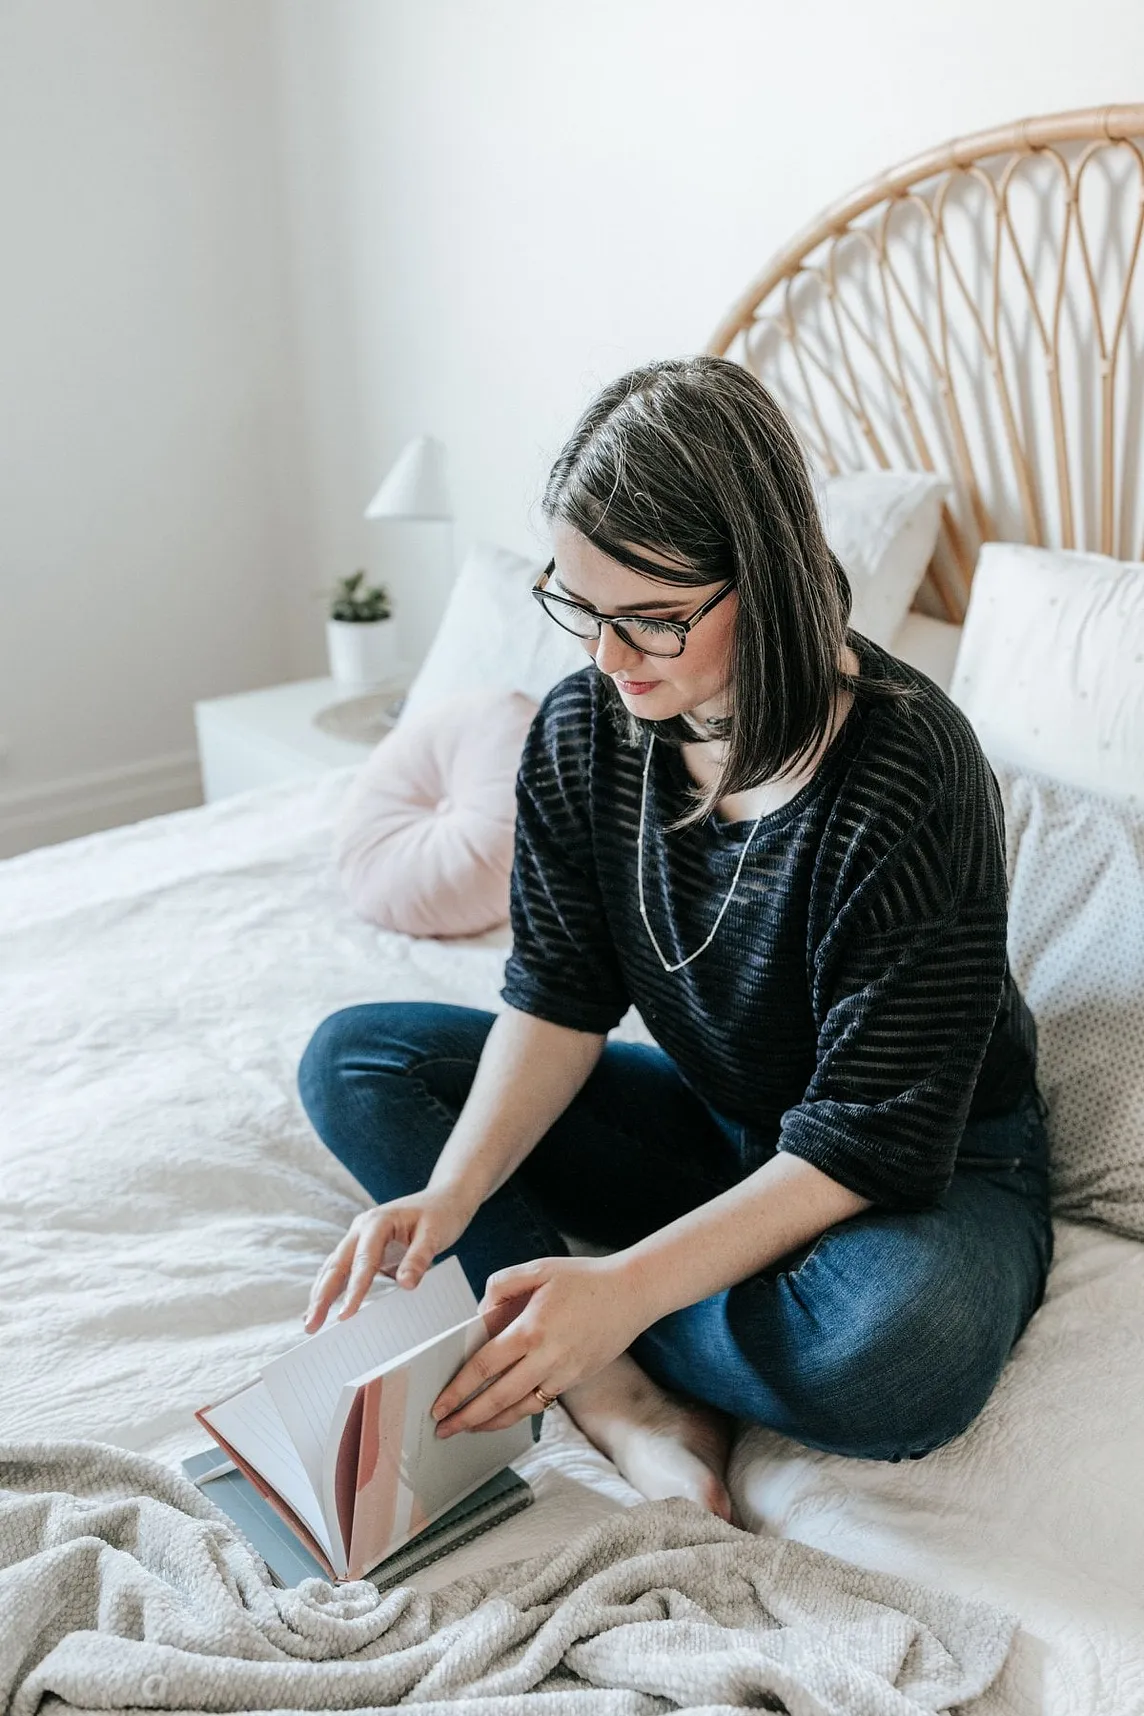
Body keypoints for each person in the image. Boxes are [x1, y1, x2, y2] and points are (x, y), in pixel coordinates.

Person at [297, 356, 1052, 1522]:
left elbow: (868, 1140)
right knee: (358, 1060)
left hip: (928, 1166)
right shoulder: (585, 728)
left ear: (772, 580)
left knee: (894, 1354)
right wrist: (451, 1196)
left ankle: (585, 1317)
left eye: (651, 619)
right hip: (724, 1120)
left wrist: (625, 1287)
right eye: (580, 607)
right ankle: (607, 1382)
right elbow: (557, 995)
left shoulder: (912, 773)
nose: (606, 657)